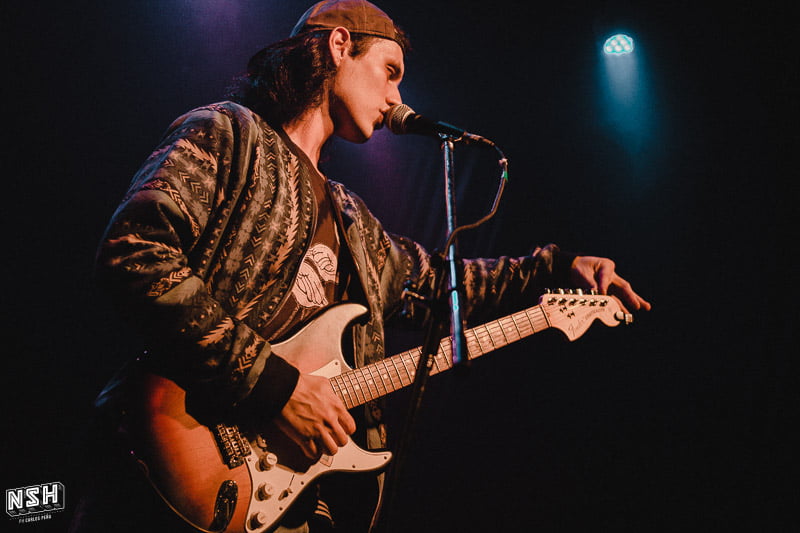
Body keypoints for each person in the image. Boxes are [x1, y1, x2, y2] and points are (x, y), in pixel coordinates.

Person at [69, 1, 651, 532]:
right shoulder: (228, 133)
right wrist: (274, 387)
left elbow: (444, 286)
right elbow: (136, 254)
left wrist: (557, 268)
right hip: (180, 451)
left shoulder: (353, 221)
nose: (398, 97)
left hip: (289, 500)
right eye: (390, 70)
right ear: (339, 46)